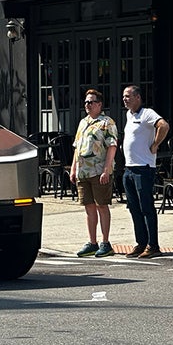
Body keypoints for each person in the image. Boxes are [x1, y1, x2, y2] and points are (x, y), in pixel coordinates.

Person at [121, 85, 169, 258]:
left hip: (144, 168)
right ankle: (140, 242)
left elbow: (163, 125)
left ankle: (153, 245)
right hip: (129, 168)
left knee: (147, 207)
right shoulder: (129, 114)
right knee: (134, 208)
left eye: (128, 96)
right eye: (124, 96)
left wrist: (155, 144)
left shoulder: (147, 113)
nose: (125, 99)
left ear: (138, 97)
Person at [71, 89, 118, 258]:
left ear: (99, 104)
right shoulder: (83, 122)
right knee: (88, 207)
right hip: (84, 172)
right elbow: (77, 146)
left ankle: (106, 243)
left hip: (99, 171)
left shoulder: (107, 122)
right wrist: (73, 168)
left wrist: (106, 169)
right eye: (85, 102)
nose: (87, 105)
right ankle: (92, 242)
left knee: (102, 206)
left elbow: (112, 146)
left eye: (91, 102)